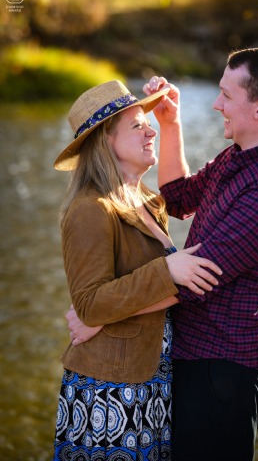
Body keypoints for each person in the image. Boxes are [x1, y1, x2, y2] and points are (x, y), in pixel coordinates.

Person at [141, 46, 258, 460]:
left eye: (226, 95)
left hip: (224, 369)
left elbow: (196, 280)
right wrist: (170, 123)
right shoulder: (241, 154)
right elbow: (179, 198)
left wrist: (100, 313)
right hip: (195, 354)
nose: (217, 104)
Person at [52, 79, 222, 461]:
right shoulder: (90, 209)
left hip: (150, 378)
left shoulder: (148, 202)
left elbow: (160, 289)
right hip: (109, 389)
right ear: (106, 142)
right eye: (137, 125)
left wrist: (172, 124)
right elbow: (91, 303)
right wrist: (168, 270)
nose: (151, 131)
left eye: (149, 123)